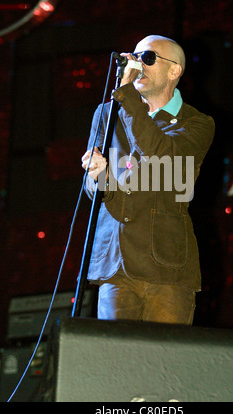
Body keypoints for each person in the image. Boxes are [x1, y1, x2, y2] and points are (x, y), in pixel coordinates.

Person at [81, 35, 215, 325]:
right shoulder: (106, 114)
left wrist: (127, 95)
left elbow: (163, 160)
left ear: (174, 70)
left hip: (167, 266)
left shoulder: (197, 123)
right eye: (136, 55)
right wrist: (96, 174)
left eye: (148, 58)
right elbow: (96, 191)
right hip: (115, 262)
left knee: (164, 362)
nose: (138, 63)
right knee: (117, 360)